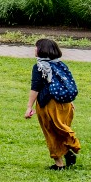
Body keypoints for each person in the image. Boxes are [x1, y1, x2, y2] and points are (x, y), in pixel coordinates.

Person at [25, 37, 81, 170]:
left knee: (51, 132)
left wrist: (29, 107)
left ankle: (60, 163)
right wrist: (70, 101)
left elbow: (35, 87)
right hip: (65, 104)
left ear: (41, 50)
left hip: (49, 104)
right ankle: (68, 152)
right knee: (60, 129)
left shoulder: (39, 66)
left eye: (36, 47)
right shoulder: (61, 65)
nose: (34, 49)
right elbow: (65, 84)